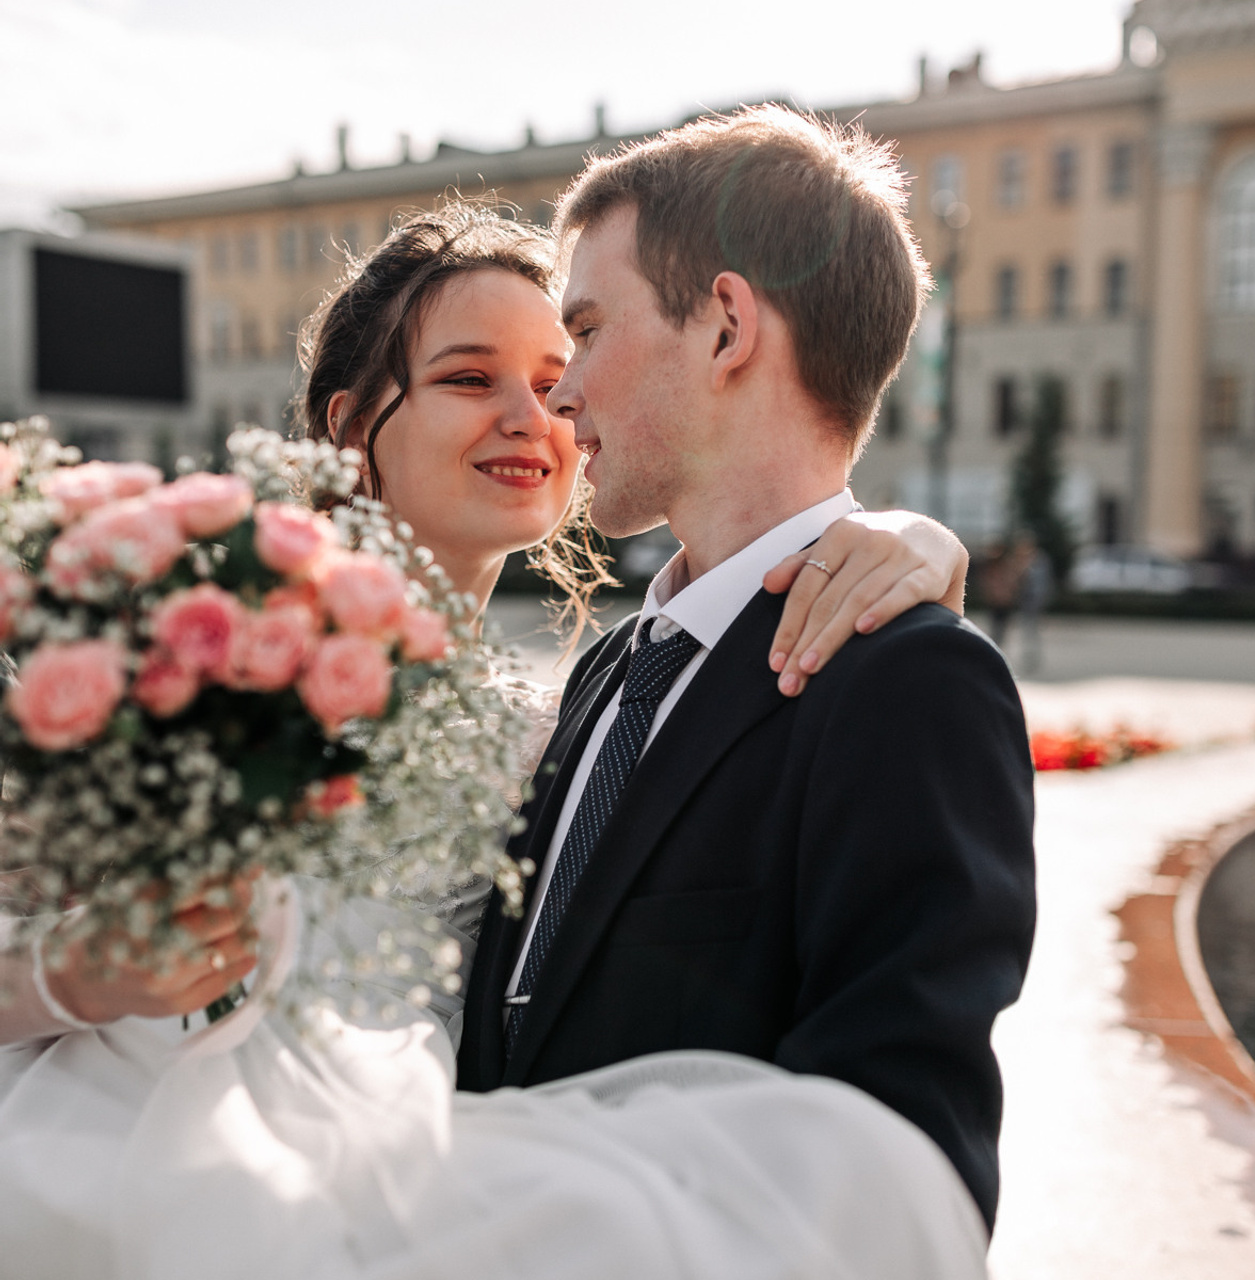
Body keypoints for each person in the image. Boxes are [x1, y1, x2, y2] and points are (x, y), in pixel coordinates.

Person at [0, 199, 990, 1277]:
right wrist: (78, 976)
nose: (536, 412)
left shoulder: (558, 725)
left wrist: (903, 534)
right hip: (113, 1146)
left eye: (557, 374)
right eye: (472, 379)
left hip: (403, 1189)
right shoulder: (180, 642)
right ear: (347, 424)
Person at [457, 108, 1037, 1236]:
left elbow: (896, 1173)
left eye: (585, 328)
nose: (560, 396)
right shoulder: (609, 671)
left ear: (724, 326)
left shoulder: (908, 686)